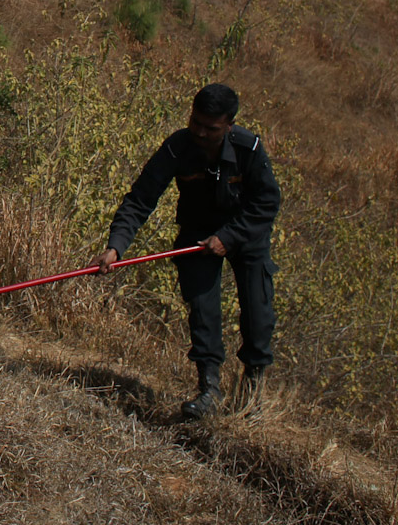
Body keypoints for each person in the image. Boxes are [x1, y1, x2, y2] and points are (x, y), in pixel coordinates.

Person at [90, 83, 281, 420]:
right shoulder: (177, 148)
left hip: (246, 235)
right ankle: (209, 390)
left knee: (258, 313)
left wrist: (230, 236)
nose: (201, 133)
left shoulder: (248, 149)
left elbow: (267, 203)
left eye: (212, 128)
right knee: (202, 309)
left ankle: (252, 396)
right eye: (196, 123)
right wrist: (116, 247)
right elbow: (140, 199)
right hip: (197, 236)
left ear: (229, 125)